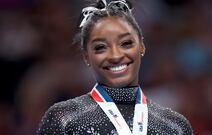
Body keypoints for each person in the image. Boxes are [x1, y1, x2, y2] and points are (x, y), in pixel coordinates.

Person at [37, 0, 193, 134]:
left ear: (142, 47)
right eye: (100, 47)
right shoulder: (63, 119)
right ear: (86, 56)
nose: (115, 56)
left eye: (126, 43)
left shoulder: (174, 125)